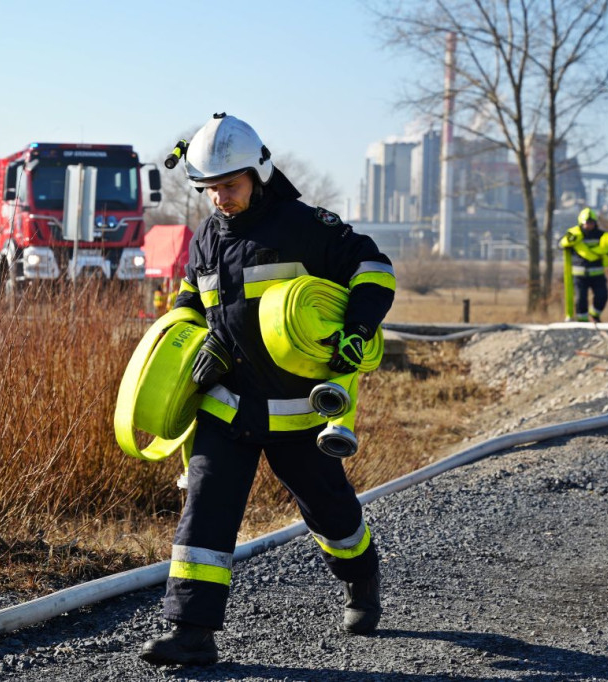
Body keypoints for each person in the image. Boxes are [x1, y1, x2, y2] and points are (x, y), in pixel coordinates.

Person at [139, 114, 397, 666]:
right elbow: (189, 303)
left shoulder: (307, 225)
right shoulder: (207, 236)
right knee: (206, 508)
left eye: (229, 186)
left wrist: (355, 331)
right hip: (227, 407)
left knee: (330, 512)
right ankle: (192, 632)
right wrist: (190, 343)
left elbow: (374, 268)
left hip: (298, 412)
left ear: (259, 172)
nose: (220, 199)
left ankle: (362, 575)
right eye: (210, 189)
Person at [560, 207, 608, 322]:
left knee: (602, 296)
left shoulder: (602, 236)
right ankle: (583, 322)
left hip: (598, 275)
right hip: (579, 276)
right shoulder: (574, 235)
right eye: (587, 223)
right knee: (581, 299)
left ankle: (594, 315)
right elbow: (561, 245)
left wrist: (607, 250)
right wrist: (569, 242)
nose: (589, 225)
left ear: (595, 223)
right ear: (581, 222)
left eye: (591, 223)